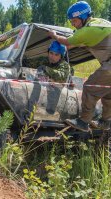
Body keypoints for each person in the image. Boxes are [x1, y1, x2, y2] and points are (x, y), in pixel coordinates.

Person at [48, 1, 111, 132]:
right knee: (107, 91)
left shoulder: (88, 30)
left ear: (83, 17)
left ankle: (83, 121)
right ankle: (106, 121)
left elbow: (66, 42)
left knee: (89, 87)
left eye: (74, 21)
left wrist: (54, 35)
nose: (73, 25)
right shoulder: (100, 23)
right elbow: (78, 43)